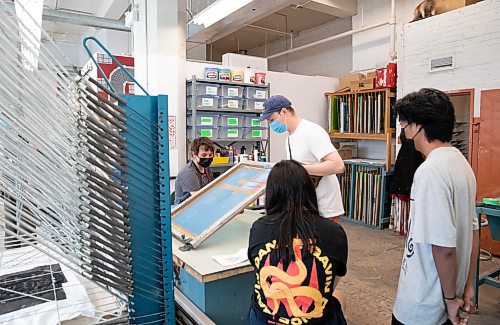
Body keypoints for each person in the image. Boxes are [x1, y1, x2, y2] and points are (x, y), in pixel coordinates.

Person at [391, 88, 479, 325]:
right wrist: (468, 287)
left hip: (424, 308)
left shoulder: (430, 171)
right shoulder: (462, 164)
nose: (406, 133)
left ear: (418, 126)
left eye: (405, 125)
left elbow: (444, 248)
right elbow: (473, 235)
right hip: (450, 296)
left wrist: (450, 299)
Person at [248, 160, 348, 325]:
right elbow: (330, 284)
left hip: (264, 320)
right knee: (339, 296)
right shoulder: (334, 232)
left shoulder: (259, 228)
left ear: (272, 193)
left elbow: (258, 270)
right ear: (309, 190)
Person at [259, 95, 345, 222]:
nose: (272, 125)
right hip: (307, 205)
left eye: (272, 120)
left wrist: (298, 169)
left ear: (284, 112)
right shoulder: (289, 138)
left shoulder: (311, 132)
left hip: (324, 206)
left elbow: (338, 166)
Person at [174, 137, 214, 205]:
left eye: (210, 155)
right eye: (204, 155)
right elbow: (197, 199)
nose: (208, 158)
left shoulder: (207, 169)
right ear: (194, 154)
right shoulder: (188, 172)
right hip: (185, 209)